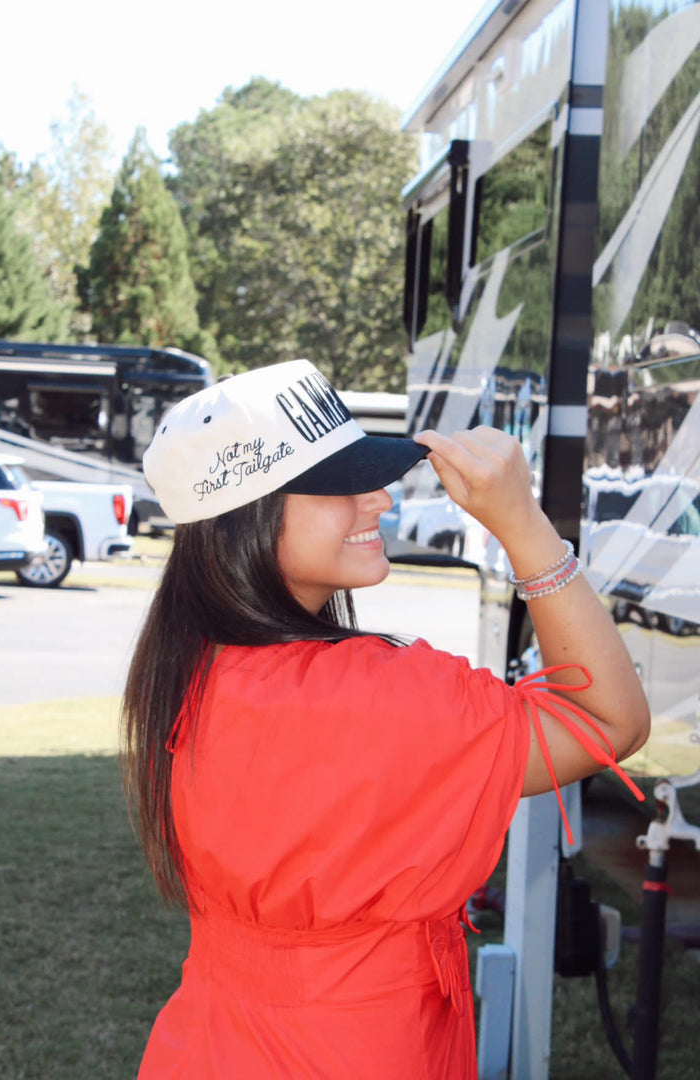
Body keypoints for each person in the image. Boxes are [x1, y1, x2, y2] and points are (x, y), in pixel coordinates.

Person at [122, 358, 650, 1079]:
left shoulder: (186, 665)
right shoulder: (380, 697)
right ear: (249, 512)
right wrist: (525, 528)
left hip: (210, 1042)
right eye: (339, 482)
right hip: (356, 1049)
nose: (379, 498)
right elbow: (607, 719)